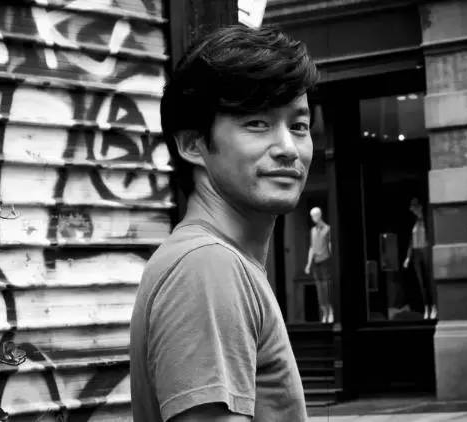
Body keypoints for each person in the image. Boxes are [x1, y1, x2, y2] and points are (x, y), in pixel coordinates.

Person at [129, 25, 318, 421]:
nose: (288, 148)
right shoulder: (207, 266)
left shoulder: (221, 261)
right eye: (257, 123)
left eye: (298, 126)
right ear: (192, 144)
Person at [403, 197, 436, 319]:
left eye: (414, 208)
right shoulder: (415, 222)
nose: (413, 210)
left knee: (429, 281)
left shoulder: (427, 221)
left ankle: (434, 306)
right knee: (422, 282)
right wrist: (408, 257)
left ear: (420, 207)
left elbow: (431, 237)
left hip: (425, 250)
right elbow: (411, 241)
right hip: (416, 253)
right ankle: (426, 307)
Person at [304, 207, 334, 323]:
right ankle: (324, 313)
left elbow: (330, 245)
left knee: (327, 288)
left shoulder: (328, 229)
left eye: (314, 215)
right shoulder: (313, 230)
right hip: (316, 263)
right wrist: (308, 264)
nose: (313, 218)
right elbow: (312, 248)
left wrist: (333, 261)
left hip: (325, 261)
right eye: (312, 216)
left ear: (319, 215)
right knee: (319, 289)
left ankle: (330, 311)